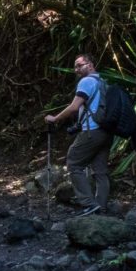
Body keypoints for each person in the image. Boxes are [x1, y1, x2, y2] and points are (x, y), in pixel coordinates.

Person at [44, 53, 113, 215]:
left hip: (92, 130)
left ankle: (89, 203)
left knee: (74, 163)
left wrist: (55, 118)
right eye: (75, 67)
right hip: (106, 132)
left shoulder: (87, 81)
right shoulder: (103, 82)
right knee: (100, 171)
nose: (76, 69)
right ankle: (100, 209)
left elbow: (74, 107)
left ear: (90, 65)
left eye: (79, 65)